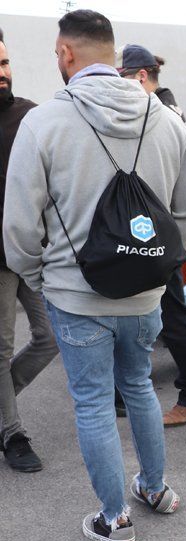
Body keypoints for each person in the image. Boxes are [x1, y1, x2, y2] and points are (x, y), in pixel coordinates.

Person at [3, 10, 186, 541]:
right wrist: (162, 268)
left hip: (74, 293)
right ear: (112, 54)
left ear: (66, 53)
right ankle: (155, 488)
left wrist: (40, 279)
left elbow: (19, 225)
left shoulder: (42, 123)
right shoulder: (167, 121)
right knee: (138, 385)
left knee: (91, 402)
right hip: (146, 295)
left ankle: (113, 520)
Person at [118, 44, 186, 427]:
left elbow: (185, 191)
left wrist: (178, 244)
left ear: (140, 76)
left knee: (171, 316)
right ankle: (128, 391)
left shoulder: (160, 114)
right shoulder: (162, 110)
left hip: (156, 235)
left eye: (122, 76)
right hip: (156, 234)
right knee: (155, 315)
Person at [0, 27, 59, 473]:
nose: (2, 73)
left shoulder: (30, 116)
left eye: (4, 63)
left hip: (33, 252)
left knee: (50, 337)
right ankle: (13, 433)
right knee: (0, 349)